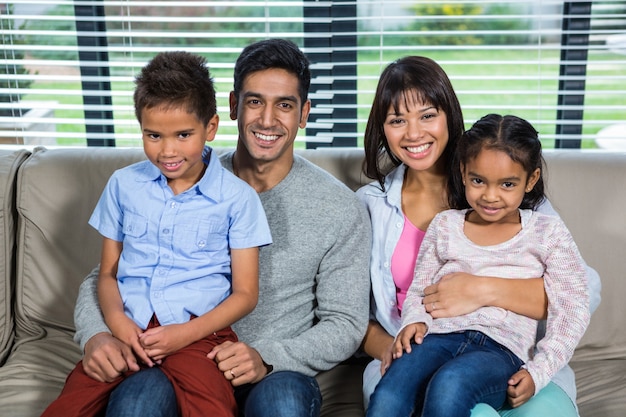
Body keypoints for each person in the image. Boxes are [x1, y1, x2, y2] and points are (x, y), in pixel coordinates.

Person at [72, 39, 372, 417]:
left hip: (272, 370)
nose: (267, 120)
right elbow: (107, 275)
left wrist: (266, 356)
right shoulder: (179, 172)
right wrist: (95, 336)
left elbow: (345, 323)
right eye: (254, 101)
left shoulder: (338, 206)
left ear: (304, 113)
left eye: (284, 105)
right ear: (232, 106)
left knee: (283, 406)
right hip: (178, 354)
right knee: (136, 404)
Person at [357, 56, 601, 417]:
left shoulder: (515, 200)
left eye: (427, 115)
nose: (413, 133)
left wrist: (480, 289)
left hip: (512, 350)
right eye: (397, 120)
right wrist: (398, 343)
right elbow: (345, 311)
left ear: (449, 116)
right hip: (421, 345)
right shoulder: (370, 207)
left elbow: (584, 291)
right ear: (382, 129)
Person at [41, 51, 272, 417]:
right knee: (68, 407)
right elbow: (107, 274)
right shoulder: (123, 185)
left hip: (199, 338)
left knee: (213, 409)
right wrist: (117, 326)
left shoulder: (237, 198)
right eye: (153, 135)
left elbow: (245, 295)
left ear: (210, 127)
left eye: (183, 135)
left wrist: (184, 334)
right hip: (128, 329)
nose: (167, 151)